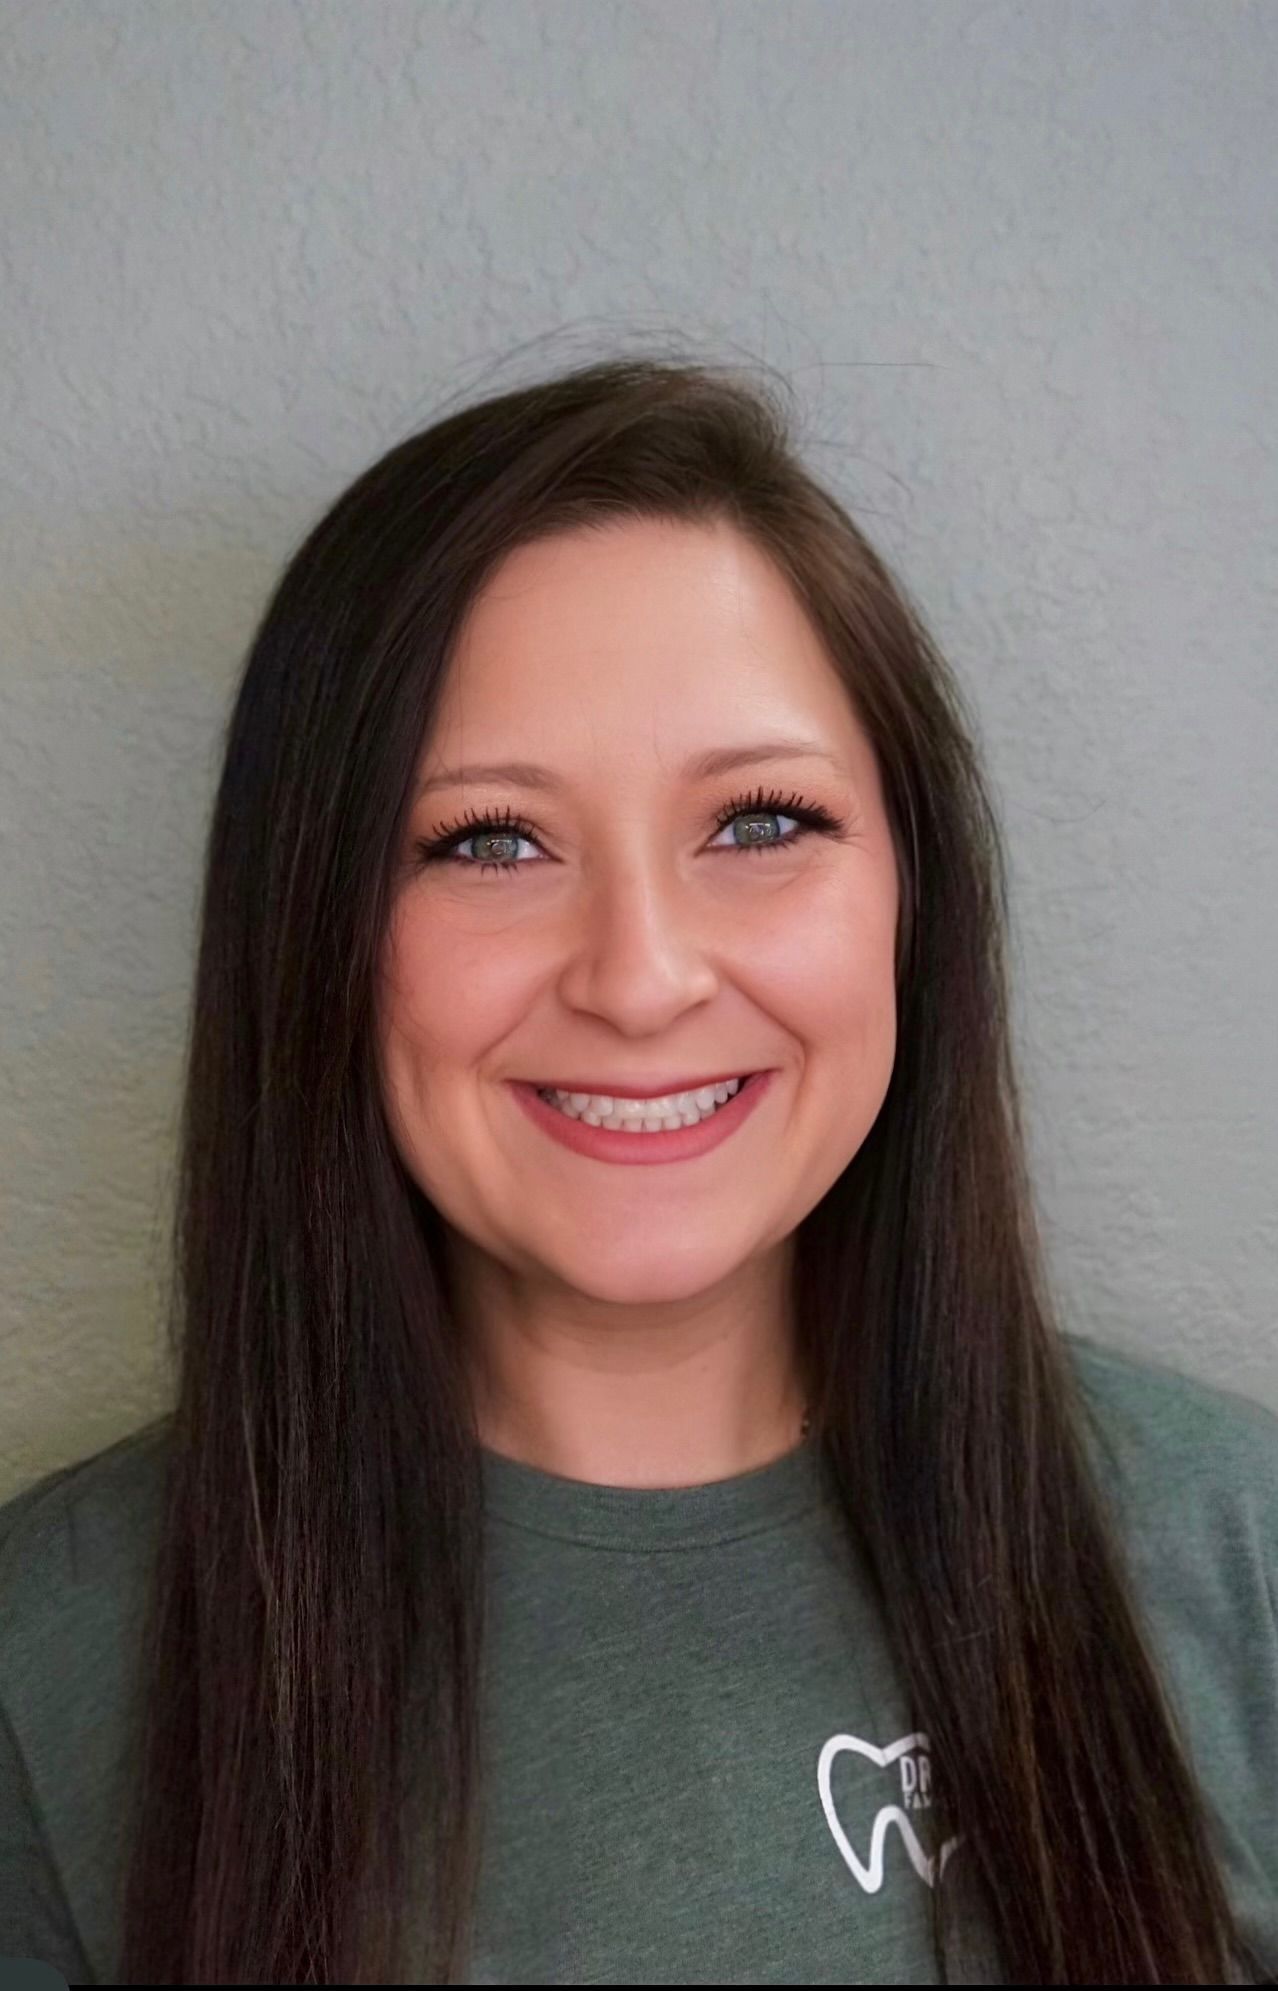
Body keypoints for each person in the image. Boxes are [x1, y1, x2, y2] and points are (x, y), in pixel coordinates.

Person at [1, 353, 1274, 1986]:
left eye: (757, 823)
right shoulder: (49, 1669)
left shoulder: (1232, 1556)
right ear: (311, 931)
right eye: (488, 841)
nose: (640, 973)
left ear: (912, 895)